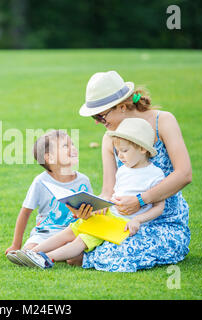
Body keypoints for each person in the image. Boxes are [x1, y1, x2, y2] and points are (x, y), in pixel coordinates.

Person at [72, 71, 192, 272]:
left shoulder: (162, 121)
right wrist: (89, 208)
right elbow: (108, 192)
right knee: (74, 241)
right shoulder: (110, 138)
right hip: (122, 222)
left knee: (115, 253)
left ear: (121, 106)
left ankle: (89, 255)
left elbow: (184, 174)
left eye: (100, 115)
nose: (97, 122)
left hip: (164, 223)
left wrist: (141, 200)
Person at [14, 118, 166, 269]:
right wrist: (103, 205)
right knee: (70, 230)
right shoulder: (124, 170)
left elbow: (159, 207)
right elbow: (114, 194)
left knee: (81, 240)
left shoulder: (155, 175)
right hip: (108, 216)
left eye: (124, 151)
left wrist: (138, 220)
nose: (120, 156)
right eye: (118, 151)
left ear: (142, 149)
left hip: (122, 224)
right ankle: (31, 253)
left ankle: (46, 258)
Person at [4, 130, 93, 266]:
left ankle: (53, 255)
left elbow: (90, 210)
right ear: (50, 158)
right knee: (28, 250)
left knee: (75, 259)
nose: (73, 148)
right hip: (45, 233)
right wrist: (15, 245)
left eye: (73, 144)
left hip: (71, 232)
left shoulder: (83, 180)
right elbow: (25, 212)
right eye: (66, 146)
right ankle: (42, 253)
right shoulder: (41, 181)